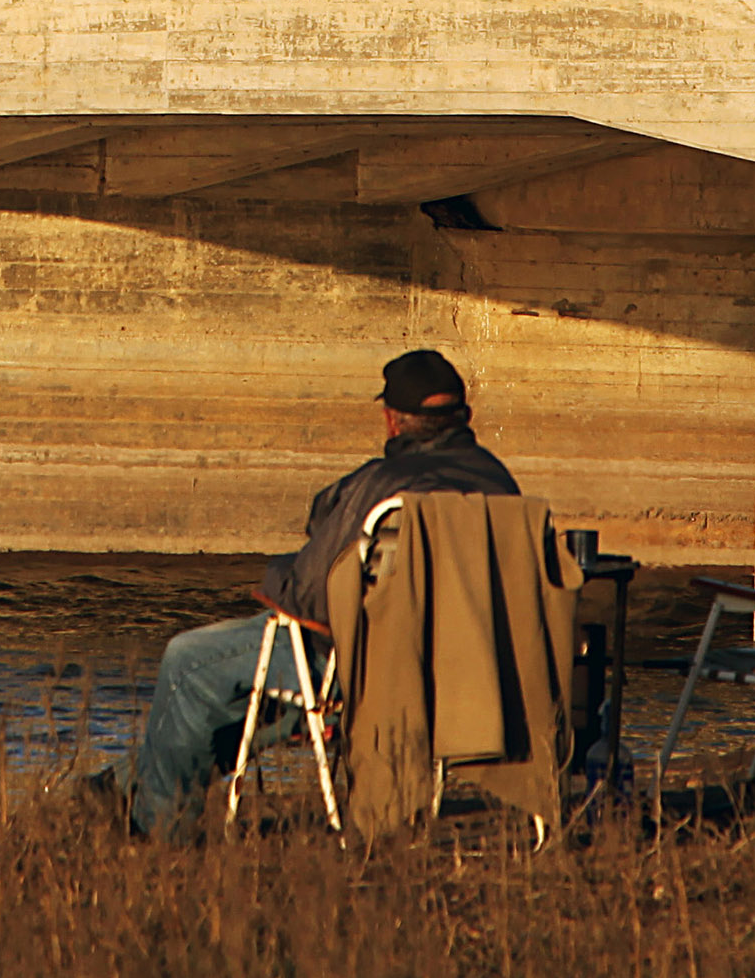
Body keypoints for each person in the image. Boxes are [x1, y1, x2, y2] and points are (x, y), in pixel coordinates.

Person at [100, 349, 517, 841]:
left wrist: (276, 578)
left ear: (391, 420)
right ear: (462, 415)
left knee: (189, 661)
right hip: (466, 676)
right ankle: (125, 783)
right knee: (243, 698)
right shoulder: (502, 486)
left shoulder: (383, 488)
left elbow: (314, 599)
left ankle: (158, 833)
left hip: (365, 666)